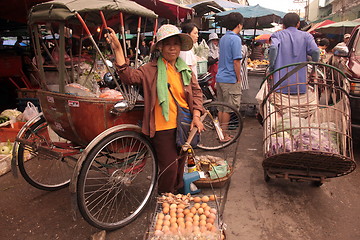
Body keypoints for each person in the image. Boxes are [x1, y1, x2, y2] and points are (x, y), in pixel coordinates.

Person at [106, 24, 204, 194]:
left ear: (180, 47)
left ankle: (177, 197)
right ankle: (164, 197)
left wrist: (196, 116)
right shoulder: (150, 69)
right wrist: (118, 49)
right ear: (160, 47)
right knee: (170, 168)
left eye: (176, 43)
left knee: (181, 164)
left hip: (183, 124)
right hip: (162, 127)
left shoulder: (185, 70)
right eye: (167, 44)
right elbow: (129, 76)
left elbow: (196, 93)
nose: (172, 48)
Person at [268, 12, 320, 94]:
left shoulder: (277, 35)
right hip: (300, 84)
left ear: (283, 25)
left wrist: (271, 68)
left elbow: (273, 48)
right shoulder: (307, 36)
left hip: (280, 84)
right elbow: (316, 51)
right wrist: (314, 69)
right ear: (298, 24)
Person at [216, 12, 244, 142]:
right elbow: (236, 61)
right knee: (228, 109)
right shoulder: (236, 39)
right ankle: (224, 135)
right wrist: (239, 78)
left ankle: (221, 134)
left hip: (220, 77)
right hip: (230, 78)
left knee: (221, 108)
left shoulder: (223, 38)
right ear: (239, 25)